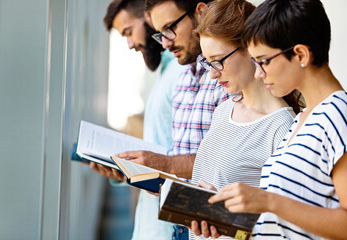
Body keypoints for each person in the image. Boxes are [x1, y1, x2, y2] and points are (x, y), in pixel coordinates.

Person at [207, 0, 347, 239]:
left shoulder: (338, 116)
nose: (260, 74)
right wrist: (225, 217)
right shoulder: (302, 120)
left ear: (300, 54)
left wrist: (268, 200)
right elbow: (284, 227)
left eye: (263, 61)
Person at [186, 0, 301, 239]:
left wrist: (225, 217)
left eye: (218, 60)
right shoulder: (223, 111)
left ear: (249, 49)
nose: (212, 73)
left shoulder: (282, 129)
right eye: (208, 62)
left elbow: (286, 227)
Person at [116, 0, 229, 239]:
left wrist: (166, 164)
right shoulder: (184, 81)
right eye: (160, 34)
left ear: (200, 13)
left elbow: (227, 161)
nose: (165, 43)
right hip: (180, 226)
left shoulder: (227, 78)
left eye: (170, 28)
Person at [89, 0, 186, 239]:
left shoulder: (184, 72)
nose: (130, 44)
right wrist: (127, 171)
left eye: (129, 32)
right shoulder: (164, 72)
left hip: (171, 226)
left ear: (148, 18)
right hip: (151, 221)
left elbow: (193, 158)